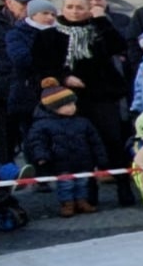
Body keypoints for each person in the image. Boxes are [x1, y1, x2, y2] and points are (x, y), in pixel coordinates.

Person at [32, 0, 135, 208]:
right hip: (69, 98)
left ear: (88, 9)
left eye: (80, 7)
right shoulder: (49, 36)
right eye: (70, 6)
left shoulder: (98, 30)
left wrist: (100, 20)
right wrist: (64, 77)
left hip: (102, 95)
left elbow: (118, 46)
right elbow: (40, 67)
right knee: (81, 147)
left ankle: (124, 187)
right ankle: (87, 195)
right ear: (63, 9)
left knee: (112, 142)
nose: (75, 11)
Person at [24, 78, 107, 217]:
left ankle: (82, 201)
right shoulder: (42, 125)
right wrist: (42, 156)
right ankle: (67, 204)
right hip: (61, 162)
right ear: (54, 108)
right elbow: (37, 142)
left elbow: (95, 141)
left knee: (83, 182)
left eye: (73, 103)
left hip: (83, 161)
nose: (72, 107)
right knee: (65, 185)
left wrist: (101, 158)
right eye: (67, 105)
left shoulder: (82, 122)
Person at [0, 0, 35, 164]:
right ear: (9, 3)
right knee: (3, 135)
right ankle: (6, 178)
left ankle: (38, 174)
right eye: (23, 5)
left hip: (27, 87)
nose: (27, 9)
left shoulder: (33, 23)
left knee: (32, 132)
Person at [6, 0, 56, 160]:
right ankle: (38, 171)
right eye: (45, 13)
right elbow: (21, 59)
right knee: (32, 134)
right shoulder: (17, 33)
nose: (50, 18)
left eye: (53, 14)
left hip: (54, 90)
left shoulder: (57, 33)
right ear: (33, 15)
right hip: (27, 92)